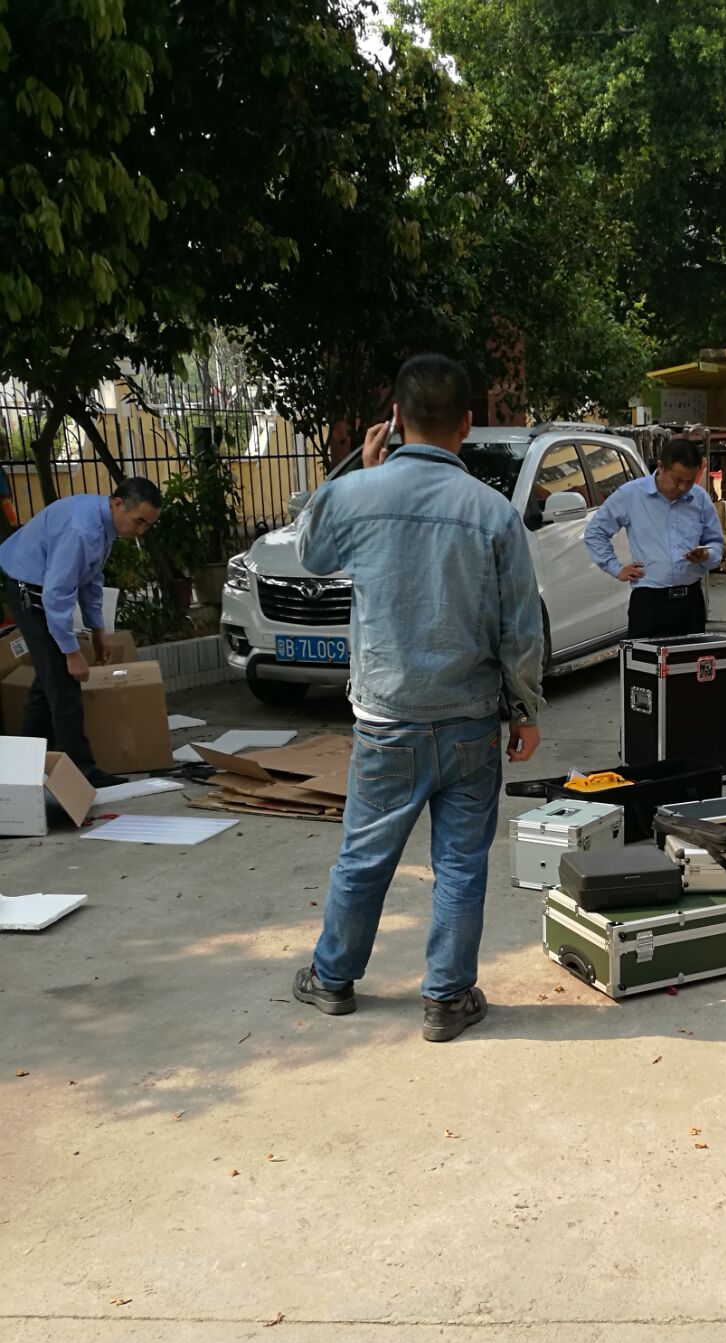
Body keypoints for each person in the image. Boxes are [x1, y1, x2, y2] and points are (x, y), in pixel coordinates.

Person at [291, 354, 544, 1042]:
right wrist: (524, 710)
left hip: (386, 720)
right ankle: (446, 999)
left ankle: (332, 980)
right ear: (468, 423)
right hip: (469, 721)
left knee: (364, 858)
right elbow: (521, 625)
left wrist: (358, 467)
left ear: (396, 418)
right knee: (460, 865)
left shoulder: (356, 495)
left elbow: (311, 553)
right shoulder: (492, 512)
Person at [0, 478, 161, 785]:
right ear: (117, 504)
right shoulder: (82, 530)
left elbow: (91, 579)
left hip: (41, 586)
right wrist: (72, 653)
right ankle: (81, 774)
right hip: (29, 589)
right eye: (139, 521)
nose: (140, 531)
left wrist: (98, 631)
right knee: (64, 684)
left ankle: (21, 771)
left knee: (48, 682)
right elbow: (56, 595)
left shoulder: (104, 524)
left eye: (148, 525)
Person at [583, 436, 724, 637]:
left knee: (690, 656)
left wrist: (706, 555)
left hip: (690, 602)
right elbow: (595, 532)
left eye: (690, 481)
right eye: (677, 480)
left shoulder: (699, 499)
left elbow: (716, 543)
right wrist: (616, 568)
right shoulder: (631, 495)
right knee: (645, 657)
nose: (683, 488)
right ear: (661, 467)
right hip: (649, 604)